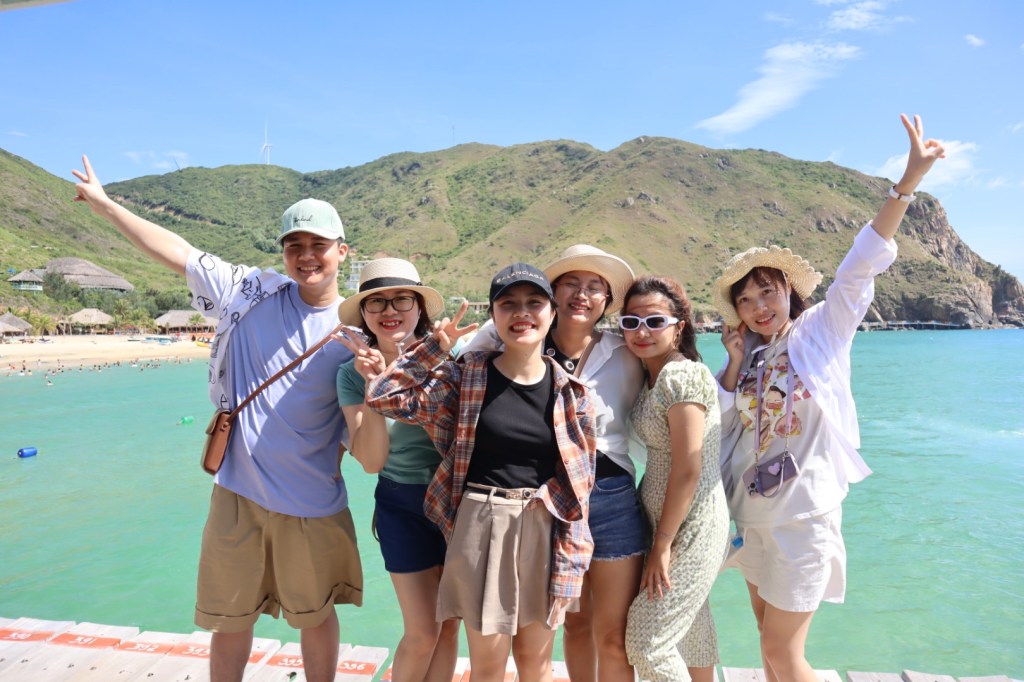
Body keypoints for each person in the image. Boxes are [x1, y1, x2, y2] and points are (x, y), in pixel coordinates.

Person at [72, 155, 362, 682]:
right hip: (237, 494)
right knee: (229, 618)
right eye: (294, 245)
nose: (305, 256)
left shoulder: (359, 334)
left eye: (318, 245)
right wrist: (107, 205)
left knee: (316, 614)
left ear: (343, 251)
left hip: (312, 501)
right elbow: (177, 251)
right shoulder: (250, 292)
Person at [715, 114, 945, 682]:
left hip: (804, 516)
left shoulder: (821, 330)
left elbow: (858, 267)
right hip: (752, 516)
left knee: (783, 653)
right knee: (768, 647)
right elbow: (723, 428)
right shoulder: (752, 356)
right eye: (746, 300)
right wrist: (736, 361)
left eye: (767, 292)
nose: (759, 307)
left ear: (789, 292)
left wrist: (905, 185)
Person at [366, 263, 596, 682]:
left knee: (535, 663)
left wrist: (573, 556)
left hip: (543, 524)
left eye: (534, 303)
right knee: (488, 666)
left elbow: (580, 489)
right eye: (508, 304)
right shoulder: (466, 374)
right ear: (493, 315)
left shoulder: (572, 394)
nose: (521, 313)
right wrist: (436, 346)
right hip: (479, 520)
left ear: (552, 313)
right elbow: (385, 397)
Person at [461, 244, 645, 682]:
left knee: (614, 634)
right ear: (553, 294)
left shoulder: (626, 351)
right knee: (572, 622)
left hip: (610, 495)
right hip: (547, 499)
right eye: (571, 284)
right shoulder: (523, 341)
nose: (582, 295)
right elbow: (466, 363)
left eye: (595, 287)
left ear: (607, 300)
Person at [335, 258, 460, 682]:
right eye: (377, 302)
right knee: (423, 632)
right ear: (364, 313)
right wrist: (375, 389)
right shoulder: (351, 375)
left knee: (449, 626)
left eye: (401, 299)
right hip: (400, 503)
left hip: (456, 500)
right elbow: (371, 461)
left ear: (419, 307)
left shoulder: (449, 358)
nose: (389, 311)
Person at [618, 277, 729, 682]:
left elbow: (688, 467)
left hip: (692, 524)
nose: (642, 331)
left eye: (654, 321)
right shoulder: (652, 376)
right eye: (631, 322)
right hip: (664, 521)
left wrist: (663, 545)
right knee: (690, 631)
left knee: (647, 644)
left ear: (679, 326)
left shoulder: (681, 376)